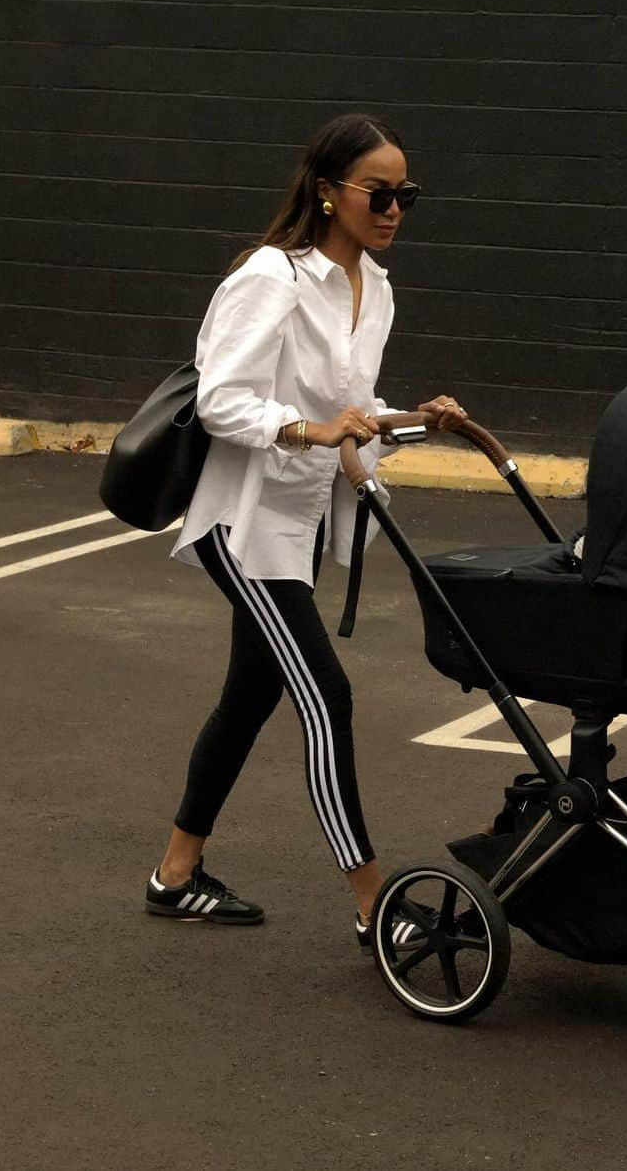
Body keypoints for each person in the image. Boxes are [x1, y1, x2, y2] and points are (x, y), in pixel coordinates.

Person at [144, 113, 466, 945]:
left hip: (300, 526)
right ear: (329, 193)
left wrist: (413, 421)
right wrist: (304, 429)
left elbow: (348, 419)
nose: (395, 209)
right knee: (326, 695)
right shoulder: (272, 277)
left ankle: (175, 875)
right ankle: (374, 905)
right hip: (243, 527)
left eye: (407, 196)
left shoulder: (378, 291)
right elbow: (220, 399)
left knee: (248, 696)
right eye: (379, 193)